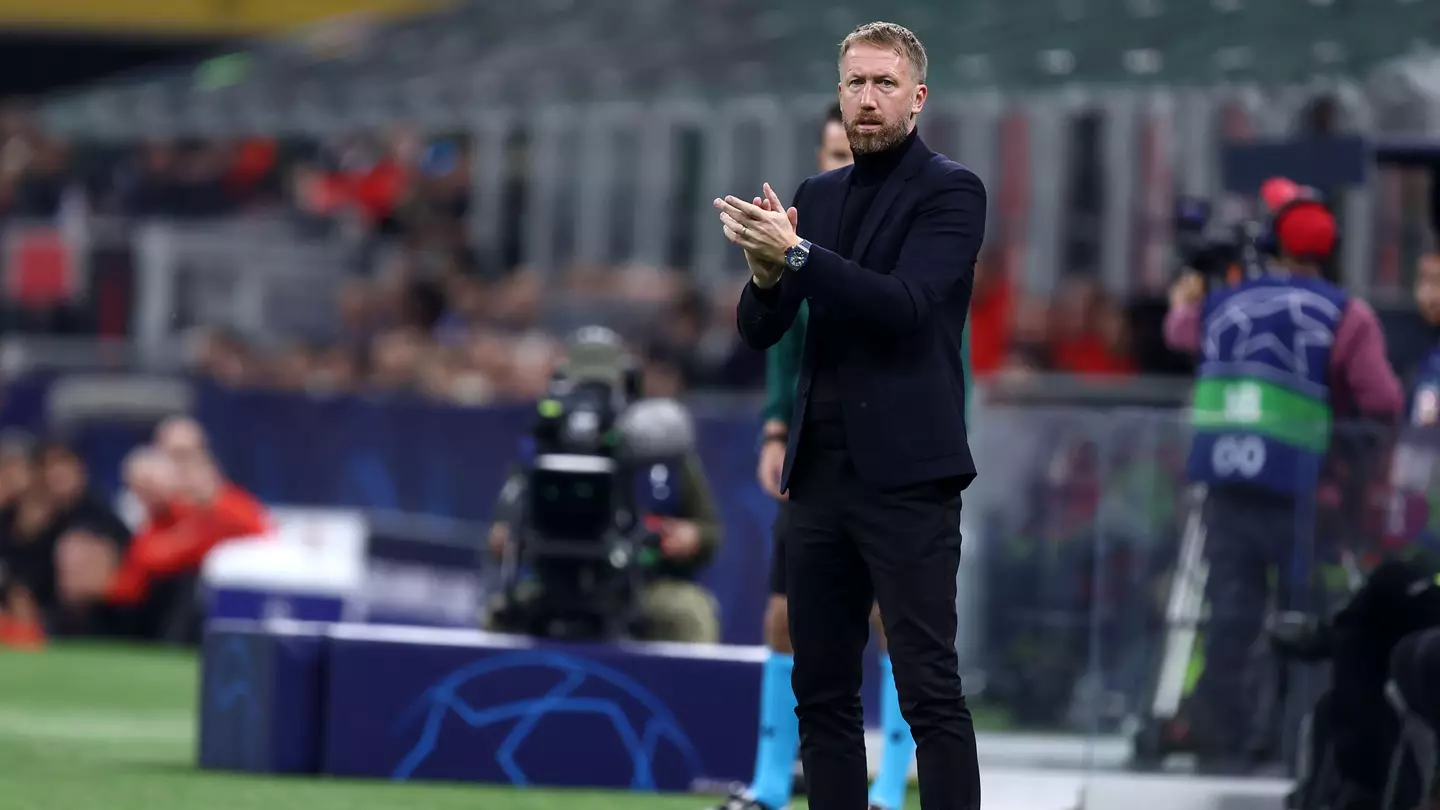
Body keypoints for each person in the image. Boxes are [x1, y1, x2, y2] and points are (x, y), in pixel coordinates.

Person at [720, 21, 984, 810]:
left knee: (928, 687)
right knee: (822, 693)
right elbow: (764, 330)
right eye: (855, 84)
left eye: (884, 84)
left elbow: (904, 307)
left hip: (909, 475)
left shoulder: (951, 190)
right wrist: (765, 275)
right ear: (839, 93)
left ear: (917, 97)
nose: (867, 100)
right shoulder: (817, 198)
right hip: (821, 475)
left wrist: (796, 258)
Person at [1163, 186, 1403, 769]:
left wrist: (1186, 296)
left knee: (1230, 616)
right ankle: (1295, 742)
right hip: (1305, 494)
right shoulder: (1346, 313)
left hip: (1225, 488)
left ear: (1272, 243)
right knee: (1302, 621)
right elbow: (1383, 398)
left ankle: (1221, 741)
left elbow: (1178, 335)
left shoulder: (1226, 302)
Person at [723, 103, 917, 810]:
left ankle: (891, 790)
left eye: (850, 153)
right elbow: (783, 345)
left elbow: (943, 360)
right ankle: (773, 784)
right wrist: (776, 432)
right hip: (814, 453)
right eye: (830, 155)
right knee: (785, 615)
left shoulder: (911, 236)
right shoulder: (802, 234)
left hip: (893, 461)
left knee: (891, 622)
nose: (841, 166)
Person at [486, 338, 723, 644]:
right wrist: (507, 538)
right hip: (552, 583)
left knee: (690, 613)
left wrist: (691, 537)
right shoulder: (543, 447)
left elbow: (709, 533)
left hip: (640, 584)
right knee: (496, 615)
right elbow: (501, 533)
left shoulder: (664, 448)